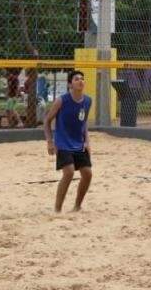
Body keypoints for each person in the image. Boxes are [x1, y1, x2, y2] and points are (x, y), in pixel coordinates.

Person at [43, 70, 93, 213]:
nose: (80, 81)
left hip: (79, 143)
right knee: (69, 172)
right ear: (70, 84)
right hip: (63, 143)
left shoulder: (88, 101)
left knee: (88, 174)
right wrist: (50, 141)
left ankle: (77, 206)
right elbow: (47, 121)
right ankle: (57, 209)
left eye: (82, 79)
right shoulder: (61, 100)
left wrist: (87, 142)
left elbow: (84, 124)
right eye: (77, 79)